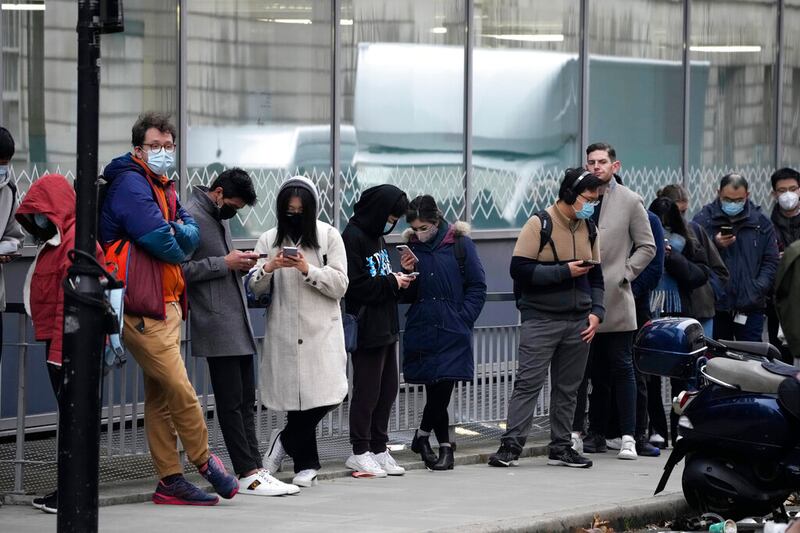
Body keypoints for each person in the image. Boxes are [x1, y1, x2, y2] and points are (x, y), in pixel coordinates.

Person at [100, 112, 238, 506]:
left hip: (167, 302)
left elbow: (185, 232)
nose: (163, 152)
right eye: (155, 146)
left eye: (168, 146)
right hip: (142, 307)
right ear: (138, 148)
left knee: (161, 395)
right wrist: (178, 235)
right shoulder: (130, 183)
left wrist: (178, 234)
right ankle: (203, 459)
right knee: (180, 387)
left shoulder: (165, 185)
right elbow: (167, 240)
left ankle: (169, 481)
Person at [182, 168, 298, 496]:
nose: (235, 212)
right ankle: (246, 472)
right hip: (216, 321)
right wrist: (225, 263)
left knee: (246, 399)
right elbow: (179, 269)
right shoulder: (191, 216)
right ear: (218, 192)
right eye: (233, 205)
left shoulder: (215, 216)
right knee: (232, 401)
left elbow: (220, 261)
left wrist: (238, 263)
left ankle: (255, 468)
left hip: (235, 320)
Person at [488, 168, 603, 469]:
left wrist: (597, 313)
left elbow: (598, 278)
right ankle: (511, 446)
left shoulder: (589, 228)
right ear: (570, 194)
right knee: (528, 382)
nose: (592, 204)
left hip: (579, 321)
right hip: (541, 319)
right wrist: (564, 272)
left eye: (596, 199)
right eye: (588, 198)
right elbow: (520, 270)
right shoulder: (540, 223)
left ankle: (561, 446)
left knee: (570, 388)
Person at [250, 176, 349, 488]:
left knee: (329, 394)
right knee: (296, 399)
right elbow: (253, 287)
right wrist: (269, 268)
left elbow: (341, 285)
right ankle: (307, 465)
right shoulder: (268, 239)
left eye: (300, 210)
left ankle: (283, 441)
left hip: (321, 331)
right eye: (289, 210)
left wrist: (308, 270)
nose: (294, 215)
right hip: (284, 331)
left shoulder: (329, 236)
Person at [16, 174, 99, 514]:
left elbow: (75, 303)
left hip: (66, 348)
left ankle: (72, 492)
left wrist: (60, 352)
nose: (37, 220)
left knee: (75, 420)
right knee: (72, 418)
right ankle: (70, 489)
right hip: (58, 344)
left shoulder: (75, 242)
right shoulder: (57, 241)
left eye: (41, 212)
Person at [572, 142, 656, 461]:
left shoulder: (630, 200)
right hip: (582, 295)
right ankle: (579, 433)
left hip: (616, 296)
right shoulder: (577, 197)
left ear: (614, 166)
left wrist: (626, 273)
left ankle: (629, 436)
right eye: (591, 161)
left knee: (623, 368)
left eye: (602, 161)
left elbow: (647, 246)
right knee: (582, 371)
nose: (596, 166)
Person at [399, 195, 486, 470]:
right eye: (415, 229)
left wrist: (464, 318)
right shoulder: (413, 248)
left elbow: (477, 286)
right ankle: (442, 449)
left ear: (436, 222)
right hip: (423, 325)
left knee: (443, 387)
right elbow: (410, 294)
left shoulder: (460, 244)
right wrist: (406, 273)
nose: (419, 233)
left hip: (452, 327)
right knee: (434, 388)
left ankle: (424, 437)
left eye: (424, 227)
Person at [341, 184, 410, 477]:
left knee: (388, 389)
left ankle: (379, 447)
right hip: (367, 325)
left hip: (387, 325)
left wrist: (401, 277)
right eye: (390, 216)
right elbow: (355, 286)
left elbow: (381, 279)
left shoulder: (378, 238)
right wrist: (392, 282)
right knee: (367, 390)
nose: (391, 223)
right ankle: (360, 450)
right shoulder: (352, 237)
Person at [649, 197, 709, 446]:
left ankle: (680, 430)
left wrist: (673, 257)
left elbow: (700, 275)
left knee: (681, 376)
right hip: (650, 314)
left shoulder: (690, 239)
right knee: (651, 375)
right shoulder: (643, 235)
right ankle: (657, 431)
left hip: (679, 315)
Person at [693, 173, 779, 342]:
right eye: (727, 199)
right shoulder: (704, 220)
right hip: (715, 305)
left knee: (751, 360)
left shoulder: (761, 223)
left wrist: (758, 287)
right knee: (717, 361)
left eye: (738, 200)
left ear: (747, 195)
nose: (732, 204)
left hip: (750, 306)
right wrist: (714, 244)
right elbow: (694, 255)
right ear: (718, 193)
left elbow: (771, 261)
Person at [656, 184, 729, 339]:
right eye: (677, 212)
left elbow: (718, 270)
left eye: (683, 211)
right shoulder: (652, 231)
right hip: (664, 310)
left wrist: (709, 293)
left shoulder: (694, 230)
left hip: (699, 310)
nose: (680, 217)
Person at [768, 168, 800, 363]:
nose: (788, 194)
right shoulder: (765, 225)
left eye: (793, 188)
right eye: (782, 190)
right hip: (778, 301)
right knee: (780, 360)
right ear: (774, 193)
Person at [0, 127, 24, 366]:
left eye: (5, 163)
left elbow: (14, 234)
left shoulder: (8, 187)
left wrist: (8, 248)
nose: (3, 169)